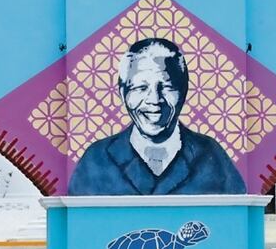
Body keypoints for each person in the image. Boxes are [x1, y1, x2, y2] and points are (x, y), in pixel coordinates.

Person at [68, 37, 247, 195]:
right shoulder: (96, 159)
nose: (154, 100)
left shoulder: (213, 156)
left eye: (167, 87)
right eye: (141, 88)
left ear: (183, 92)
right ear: (123, 94)